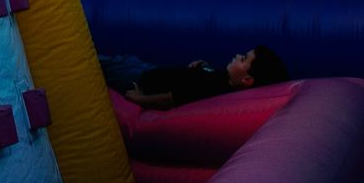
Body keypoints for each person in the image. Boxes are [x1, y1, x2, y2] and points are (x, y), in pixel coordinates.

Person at [99, 46, 289, 110]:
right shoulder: (222, 79)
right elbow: (206, 79)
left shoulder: (217, 88)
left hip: (140, 79)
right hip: (149, 70)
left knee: (96, 63)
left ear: (247, 80)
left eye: (244, 59)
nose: (238, 55)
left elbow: (173, 98)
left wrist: (139, 99)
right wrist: (203, 67)